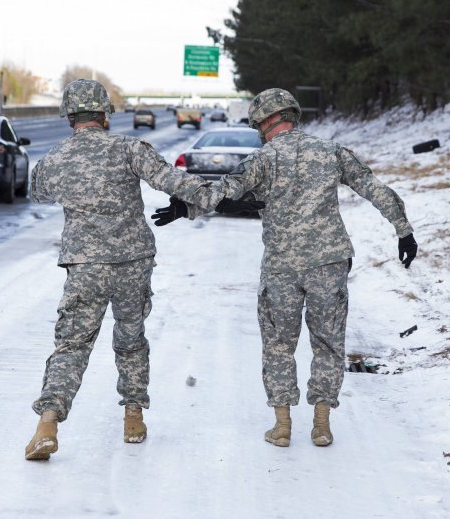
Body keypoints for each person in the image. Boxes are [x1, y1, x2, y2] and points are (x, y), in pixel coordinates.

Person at [152, 88, 418, 447]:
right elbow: (374, 188)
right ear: (293, 114)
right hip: (330, 262)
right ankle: (322, 425)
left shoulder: (263, 159)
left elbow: (226, 193)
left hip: (282, 267)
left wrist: (188, 205)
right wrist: (404, 232)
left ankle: (282, 426)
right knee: (328, 343)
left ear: (264, 122)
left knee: (279, 345)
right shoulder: (331, 151)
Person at [25, 79, 259, 461]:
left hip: (85, 265)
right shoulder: (130, 148)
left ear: (70, 118)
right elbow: (176, 182)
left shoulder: (54, 160)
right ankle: (133, 418)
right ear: (104, 114)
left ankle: (47, 423)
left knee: (71, 345)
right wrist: (210, 200)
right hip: (133, 261)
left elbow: (39, 191)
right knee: (131, 338)